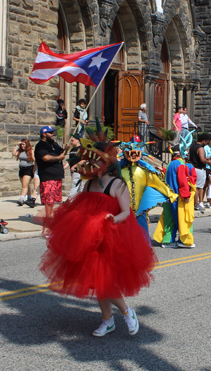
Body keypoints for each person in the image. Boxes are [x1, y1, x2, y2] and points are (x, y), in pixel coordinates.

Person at [39, 122, 156, 337]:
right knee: (96, 282)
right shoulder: (89, 184)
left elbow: (126, 212)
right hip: (90, 240)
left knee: (105, 281)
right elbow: (83, 207)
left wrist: (113, 218)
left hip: (111, 238)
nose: (90, 164)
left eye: (95, 160)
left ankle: (127, 312)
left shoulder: (117, 185)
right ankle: (107, 320)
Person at [153, 136, 197, 249]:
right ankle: (185, 241)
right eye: (185, 152)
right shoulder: (180, 165)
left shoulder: (170, 164)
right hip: (177, 197)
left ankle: (167, 241)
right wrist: (186, 195)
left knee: (169, 219)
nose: (186, 154)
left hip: (168, 196)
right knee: (182, 220)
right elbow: (182, 182)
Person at [34, 126, 70, 220]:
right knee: (49, 200)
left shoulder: (54, 144)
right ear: (44, 134)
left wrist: (66, 150)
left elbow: (62, 155)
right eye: (50, 133)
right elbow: (45, 158)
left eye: (52, 132)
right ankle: (48, 219)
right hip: (48, 176)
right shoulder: (40, 145)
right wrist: (59, 158)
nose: (52, 134)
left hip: (57, 175)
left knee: (55, 200)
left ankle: (52, 218)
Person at [189, 133, 211, 211]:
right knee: (198, 187)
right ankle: (196, 204)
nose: (207, 144)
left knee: (193, 186)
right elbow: (202, 160)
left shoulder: (192, 146)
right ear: (203, 141)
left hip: (192, 167)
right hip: (199, 169)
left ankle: (193, 203)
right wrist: (208, 161)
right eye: (207, 142)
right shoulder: (201, 148)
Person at [12, 139, 36, 207]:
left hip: (29, 169)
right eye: (22, 144)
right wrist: (17, 146)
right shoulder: (20, 151)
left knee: (24, 185)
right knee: (26, 184)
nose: (23, 146)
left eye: (24, 144)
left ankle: (22, 198)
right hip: (21, 169)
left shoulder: (30, 151)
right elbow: (13, 154)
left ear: (27, 144)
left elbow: (34, 160)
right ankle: (29, 197)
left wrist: (35, 169)